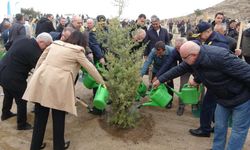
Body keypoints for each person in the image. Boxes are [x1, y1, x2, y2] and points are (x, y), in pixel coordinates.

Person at [153, 41, 250, 150]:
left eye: (184, 58)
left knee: (238, 131)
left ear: (193, 55)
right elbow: (179, 69)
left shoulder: (220, 57)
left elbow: (247, 72)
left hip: (241, 99)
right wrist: (160, 79)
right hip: (222, 99)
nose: (183, 61)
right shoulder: (193, 59)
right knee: (219, 127)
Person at [22, 31, 105, 150]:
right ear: (82, 43)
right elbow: (91, 68)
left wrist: (36, 75)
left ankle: (35, 146)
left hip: (42, 81)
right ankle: (59, 146)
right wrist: (102, 82)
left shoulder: (54, 44)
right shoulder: (77, 51)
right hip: (58, 86)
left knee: (40, 117)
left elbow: (40, 61)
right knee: (58, 118)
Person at [0, 33, 53, 130]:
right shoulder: (35, 52)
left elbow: (8, 45)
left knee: (8, 93)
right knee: (22, 100)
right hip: (14, 77)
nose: (46, 48)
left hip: (2, 70)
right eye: (47, 45)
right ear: (41, 42)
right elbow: (40, 69)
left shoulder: (23, 39)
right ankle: (22, 124)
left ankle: (5, 113)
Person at [153, 37, 189, 115]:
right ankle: (181, 105)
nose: (178, 50)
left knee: (200, 84)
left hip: (196, 67)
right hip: (185, 67)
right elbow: (167, 64)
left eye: (180, 48)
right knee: (183, 86)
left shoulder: (192, 48)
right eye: (177, 48)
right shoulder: (175, 51)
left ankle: (198, 103)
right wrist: (158, 76)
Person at [141, 41, 175, 108]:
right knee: (154, 84)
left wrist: (171, 75)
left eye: (159, 53)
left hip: (168, 70)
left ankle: (169, 101)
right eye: (156, 52)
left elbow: (174, 64)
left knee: (169, 86)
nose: (157, 54)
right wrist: (141, 75)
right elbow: (147, 62)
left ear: (164, 50)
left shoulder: (171, 51)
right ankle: (155, 99)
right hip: (156, 69)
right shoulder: (153, 51)